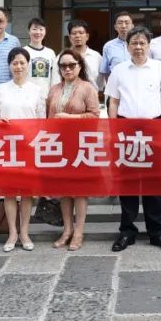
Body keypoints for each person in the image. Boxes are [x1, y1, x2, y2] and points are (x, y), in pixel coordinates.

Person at [105, 27, 161, 252]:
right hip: (126, 129)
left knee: (155, 182)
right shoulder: (119, 70)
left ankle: (157, 232)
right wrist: (113, 130)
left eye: (142, 43)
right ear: (127, 47)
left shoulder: (160, 68)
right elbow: (113, 102)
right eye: (134, 43)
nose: (138, 47)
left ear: (149, 45)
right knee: (127, 183)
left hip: (154, 128)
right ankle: (127, 231)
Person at [0, 47, 46, 252]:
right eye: (14, 63)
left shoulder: (36, 90)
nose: (18, 66)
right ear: (9, 65)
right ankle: (12, 232)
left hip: (29, 147)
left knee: (27, 192)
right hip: (7, 146)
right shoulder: (1, 89)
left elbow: (41, 119)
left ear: (28, 65)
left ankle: (24, 232)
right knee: (10, 191)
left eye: (22, 62)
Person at [46, 49, 100, 251]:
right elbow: (47, 116)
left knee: (80, 190)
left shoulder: (87, 88)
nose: (67, 69)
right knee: (64, 190)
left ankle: (79, 231)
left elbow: (94, 115)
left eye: (71, 65)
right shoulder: (54, 89)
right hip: (58, 145)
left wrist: (71, 118)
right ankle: (67, 230)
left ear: (80, 66)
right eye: (63, 66)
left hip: (80, 145)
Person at [67, 19, 104, 90]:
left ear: (87, 36)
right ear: (70, 37)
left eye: (81, 33)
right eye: (74, 33)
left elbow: (101, 84)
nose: (77, 36)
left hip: (92, 95)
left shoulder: (96, 57)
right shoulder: (62, 57)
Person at [100, 11, 133, 85]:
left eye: (127, 23)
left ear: (132, 26)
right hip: (116, 87)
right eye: (120, 23)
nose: (123, 26)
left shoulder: (139, 45)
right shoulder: (108, 46)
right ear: (115, 27)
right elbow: (106, 71)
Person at [25, 17, 57, 92]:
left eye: (41, 29)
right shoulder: (23, 51)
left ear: (45, 32)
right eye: (34, 29)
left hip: (46, 95)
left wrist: (53, 94)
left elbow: (55, 76)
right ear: (28, 31)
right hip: (28, 94)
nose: (38, 32)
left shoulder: (50, 53)